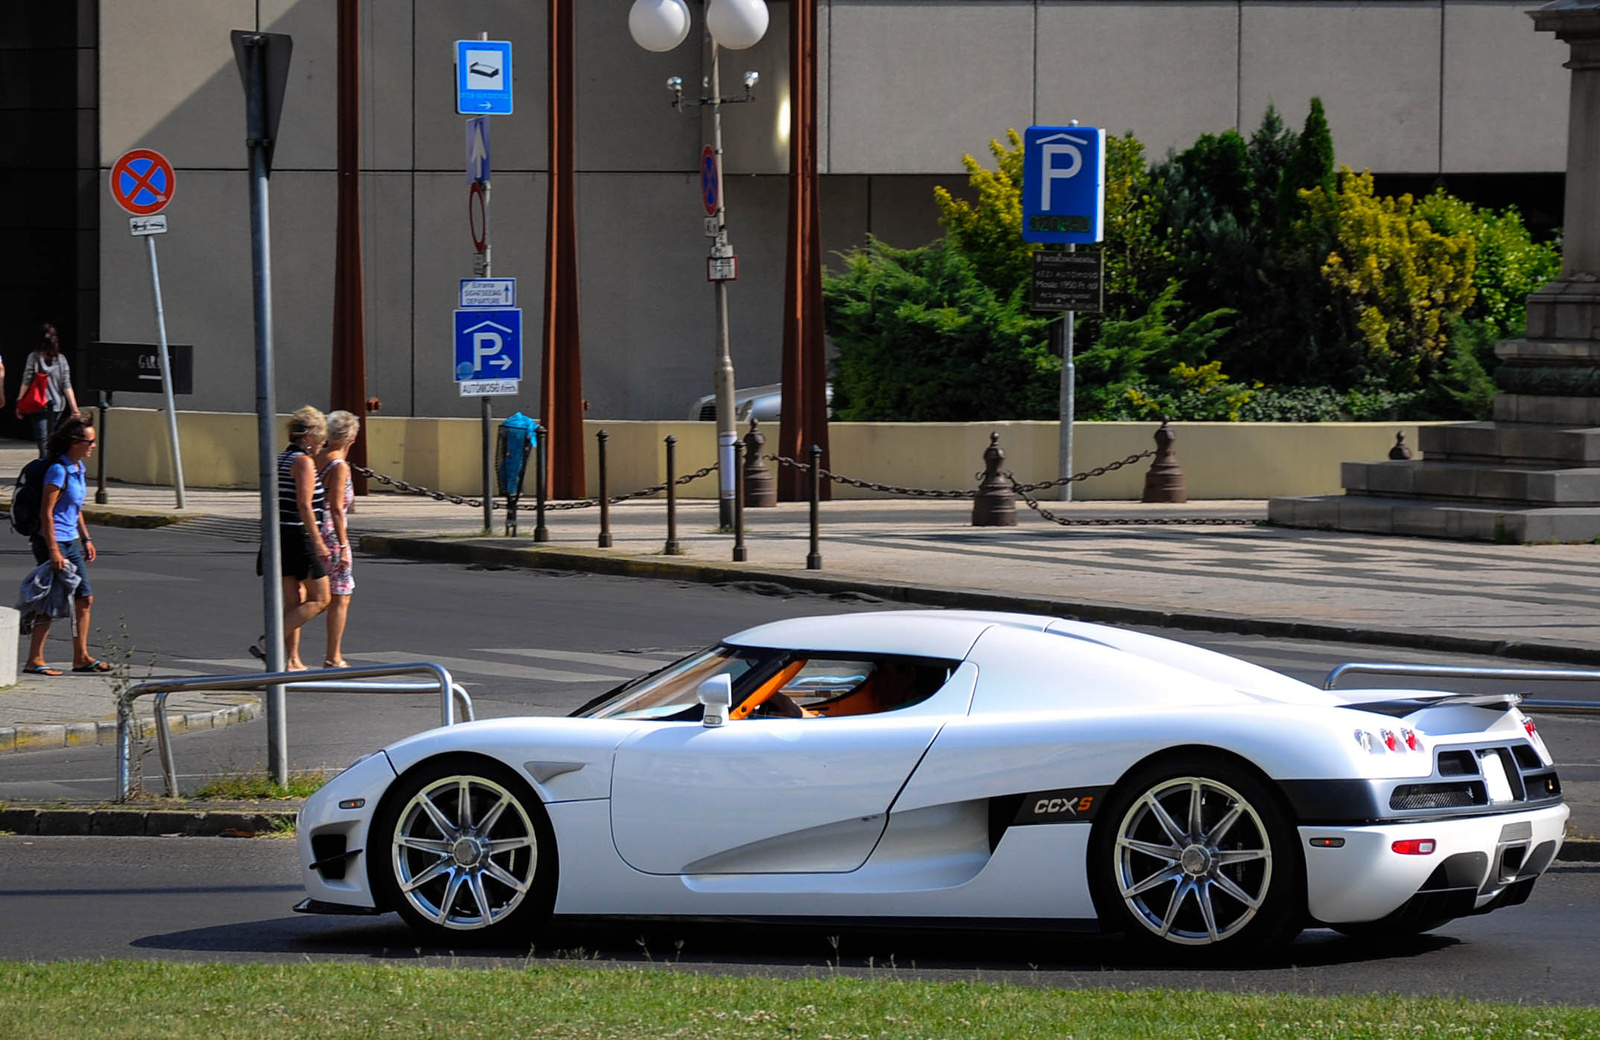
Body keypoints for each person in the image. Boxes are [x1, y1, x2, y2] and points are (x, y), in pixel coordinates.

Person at [22, 416, 107, 675]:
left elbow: (75, 508)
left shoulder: (77, 469)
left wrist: (86, 538)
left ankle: (80, 657)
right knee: (50, 600)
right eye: (89, 441)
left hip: (70, 539)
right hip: (53, 541)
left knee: (84, 599)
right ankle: (34, 659)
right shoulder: (58, 470)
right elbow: (46, 513)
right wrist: (54, 551)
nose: (93, 445)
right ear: (75, 442)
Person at [251, 406, 331, 671]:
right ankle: (268, 642)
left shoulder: (280, 459)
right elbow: (304, 505)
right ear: (308, 438)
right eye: (320, 441)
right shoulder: (302, 462)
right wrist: (319, 542)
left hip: (279, 535)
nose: (321, 447)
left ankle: (292, 660)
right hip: (299, 536)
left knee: (294, 601)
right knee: (321, 598)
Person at [316, 409, 359, 668]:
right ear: (351, 437)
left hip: (315, 530)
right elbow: (335, 508)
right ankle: (333, 656)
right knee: (339, 596)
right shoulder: (339, 465)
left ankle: (282, 644)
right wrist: (343, 546)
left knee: (314, 595)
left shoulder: (318, 458)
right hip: (332, 534)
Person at [17, 323, 80, 456]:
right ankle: (49, 465)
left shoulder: (33, 358)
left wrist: (20, 401)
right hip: (57, 406)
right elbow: (66, 385)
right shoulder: (61, 360)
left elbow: (26, 381)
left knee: (43, 441)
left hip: (37, 405)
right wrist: (74, 408)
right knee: (51, 440)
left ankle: (45, 466)